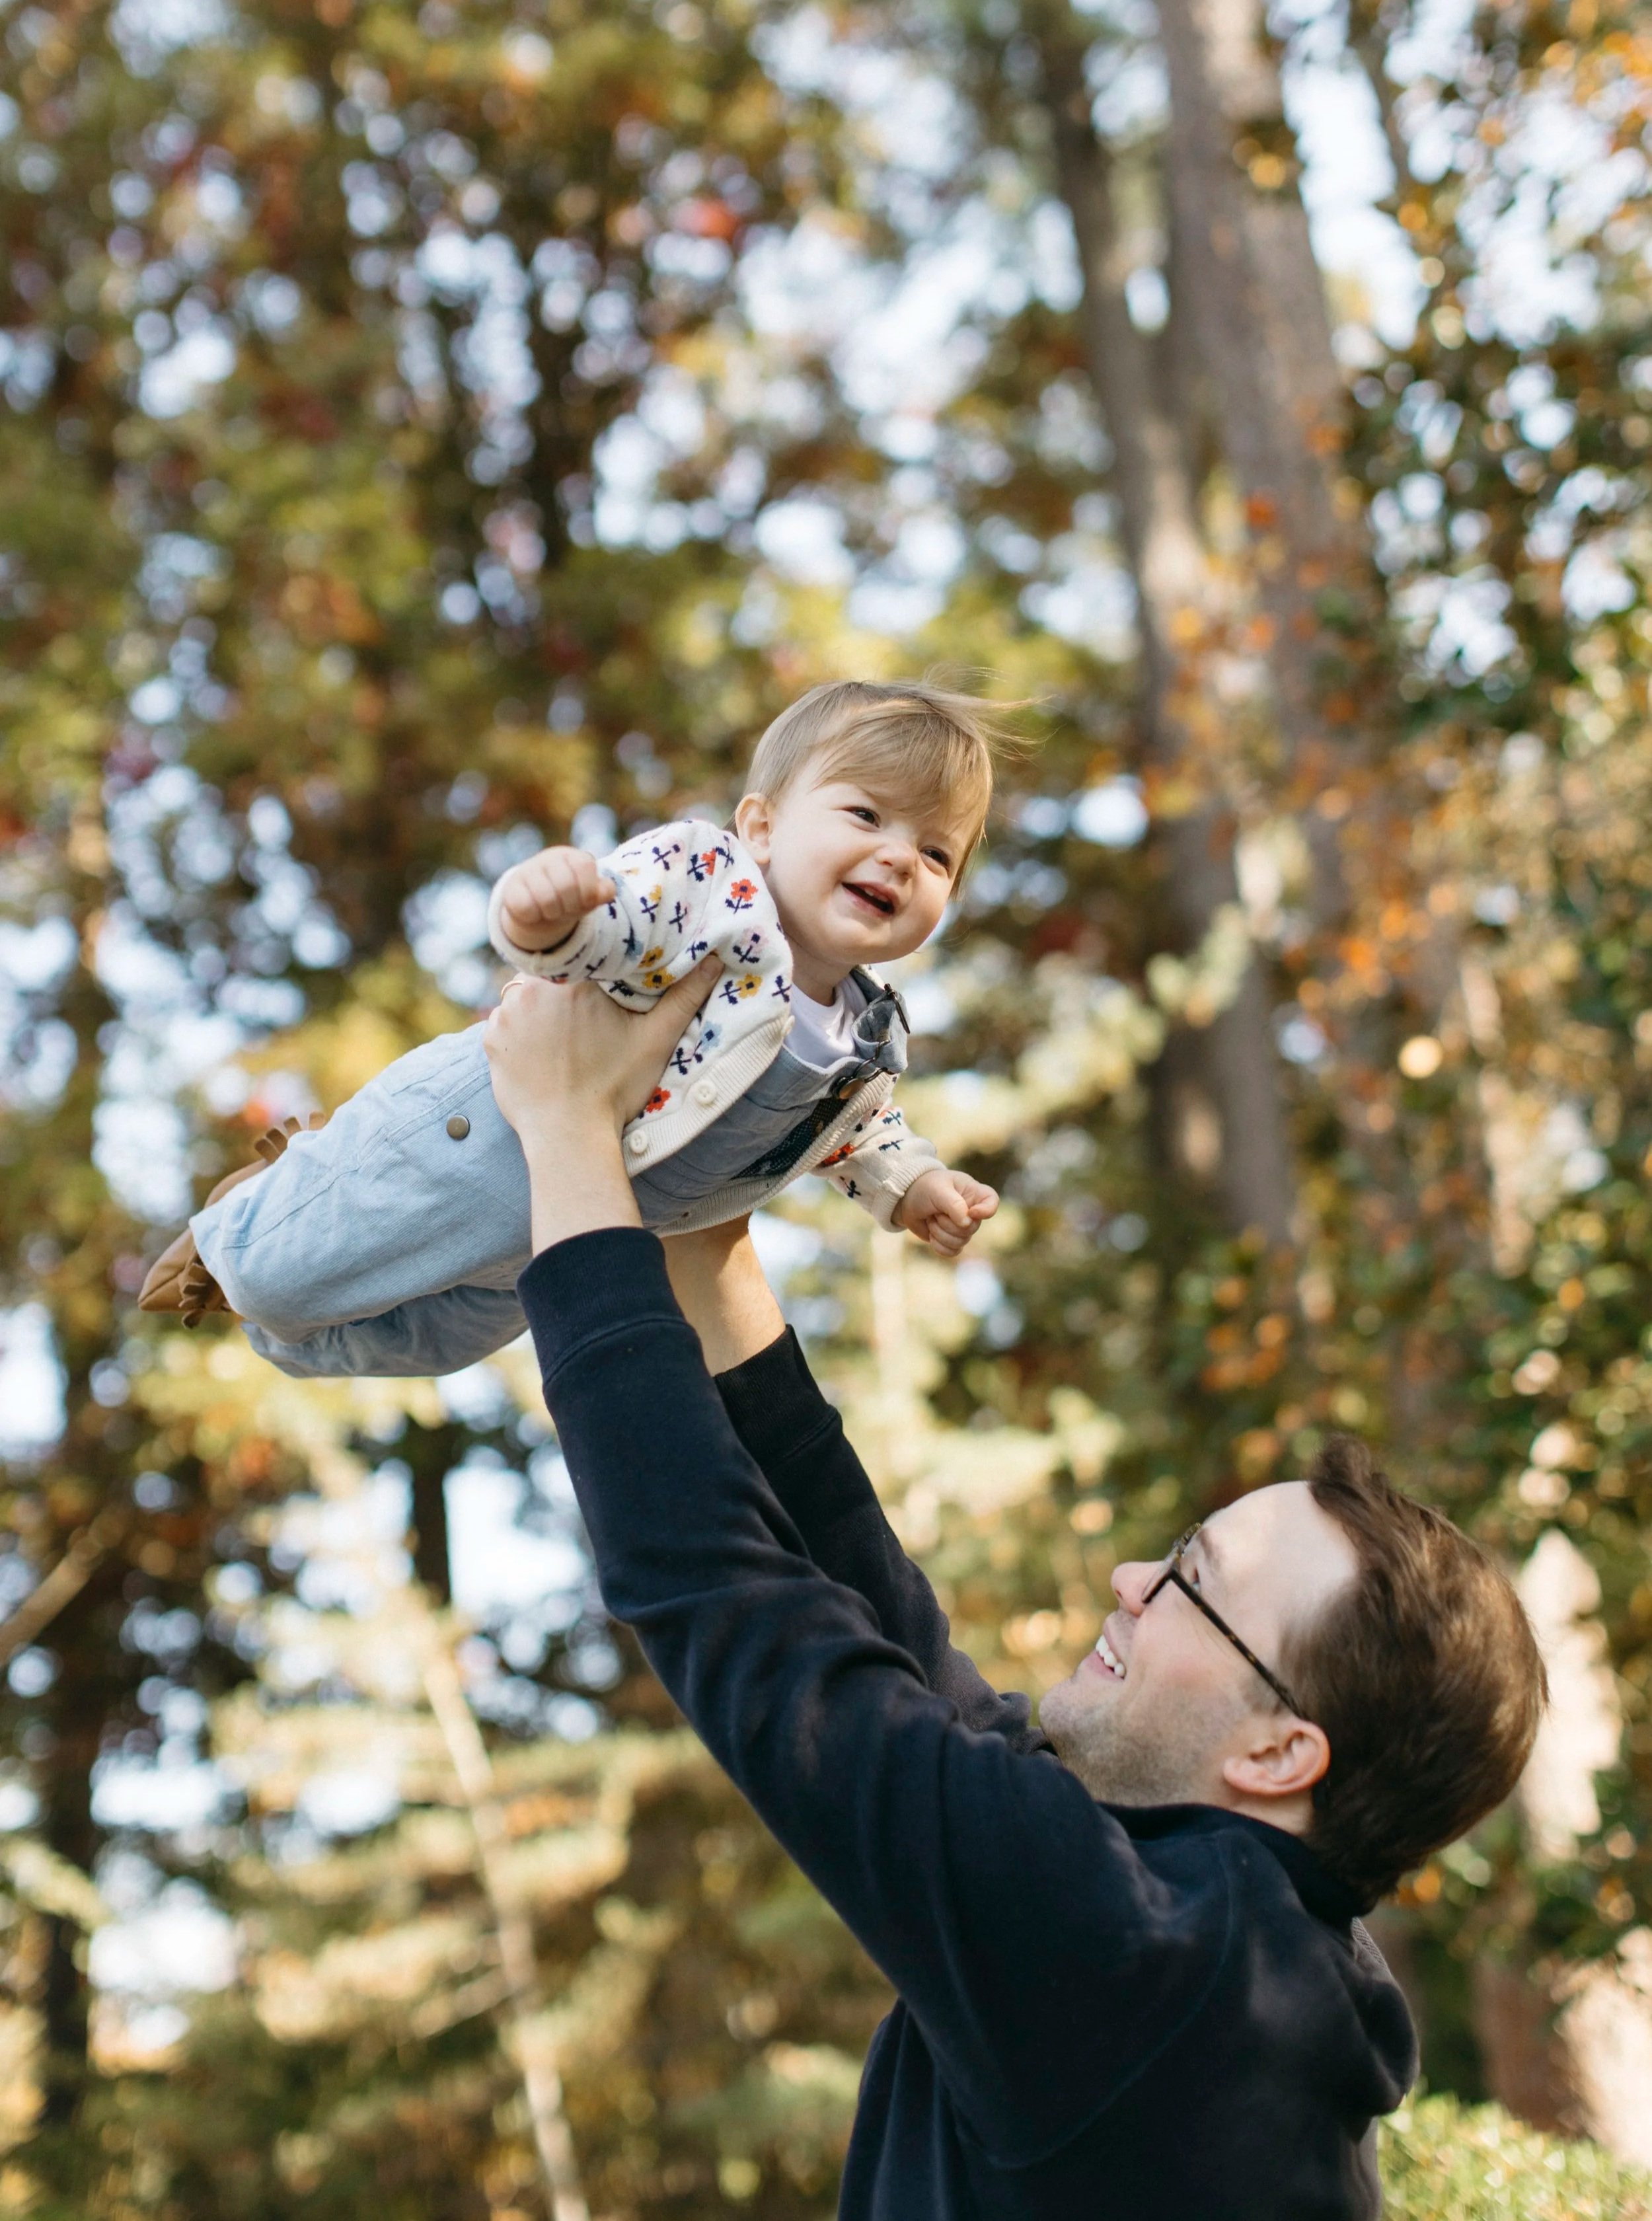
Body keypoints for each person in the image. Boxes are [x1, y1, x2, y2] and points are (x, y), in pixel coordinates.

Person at [482, 960, 1549, 2221]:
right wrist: (709, 1234)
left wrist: (567, 1129)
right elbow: (892, 1641)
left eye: (1191, 1584)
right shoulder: (1220, 1940)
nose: (1131, 1579)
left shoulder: (1144, 1967)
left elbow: (729, 1600)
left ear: (1277, 1751)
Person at [137, 680, 1004, 1376]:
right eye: (867, 816)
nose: (901, 857)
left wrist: (913, 1186)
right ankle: (251, 1221)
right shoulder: (711, 889)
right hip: (478, 1135)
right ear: (763, 827)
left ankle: (276, 1328)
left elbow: (862, 1136)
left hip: (573, 1220)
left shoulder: (865, 1045)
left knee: (426, 1344)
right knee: (275, 1277)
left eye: (937, 853)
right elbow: (611, 919)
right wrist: (552, 914)